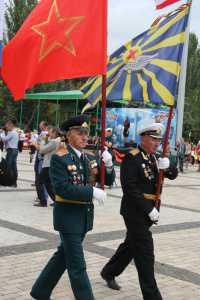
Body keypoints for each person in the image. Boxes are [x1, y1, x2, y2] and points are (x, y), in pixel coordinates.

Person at [30, 115, 115, 300]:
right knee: (77, 266)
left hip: (83, 218)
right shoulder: (60, 158)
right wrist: (91, 192)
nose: (85, 137)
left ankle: (40, 291)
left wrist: (109, 164)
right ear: (68, 135)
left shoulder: (87, 157)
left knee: (62, 257)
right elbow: (62, 188)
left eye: (87, 133)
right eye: (80, 133)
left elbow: (107, 180)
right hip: (68, 219)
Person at [101, 123, 178, 300]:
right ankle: (152, 296)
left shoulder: (155, 158)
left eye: (159, 140)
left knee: (130, 246)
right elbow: (129, 188)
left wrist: (169, 166)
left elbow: (173, 175)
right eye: (153, 139)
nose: (157, 143)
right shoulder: (132, 158)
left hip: (149, 212)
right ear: (143, 139)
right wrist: (148, 209)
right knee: (145, 252)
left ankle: (109, 271)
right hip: (134, 211)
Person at [32, 126, 61, 205]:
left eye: (50, 132)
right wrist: (46, 140)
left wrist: (42, 141)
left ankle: (43, 201)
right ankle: (57, 201)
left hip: (48, 164)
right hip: (51, 164)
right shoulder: (58, 140)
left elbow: (42, 150)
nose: (48, 134)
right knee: (48, 184)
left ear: (55, 133)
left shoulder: (54, 141)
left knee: (39, 182)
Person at [0, 119, 19, 187]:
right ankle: (14, 182)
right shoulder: (14, 132)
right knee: (13, 167)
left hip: (11, 150)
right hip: (15, 150)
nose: (6, 126)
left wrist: (1, 133)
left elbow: (4, 139)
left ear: (11, 125)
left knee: (8, 167)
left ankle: (9, 181)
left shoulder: (12, 132)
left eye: (7, 125)